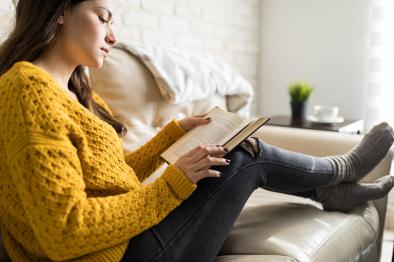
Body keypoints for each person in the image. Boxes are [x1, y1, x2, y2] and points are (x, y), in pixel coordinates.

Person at [0, 0, 393, 261]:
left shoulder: (77, 93)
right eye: (103, 18)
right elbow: (65, 230)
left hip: (124, 242)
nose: (113, 36)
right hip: (118, 255)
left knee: (235, 147)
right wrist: (172, 183)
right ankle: (340, 170)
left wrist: (175, 134)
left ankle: (331, 185)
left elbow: (116, 177)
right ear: (61, 11)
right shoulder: (28, 89)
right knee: (240, 157)